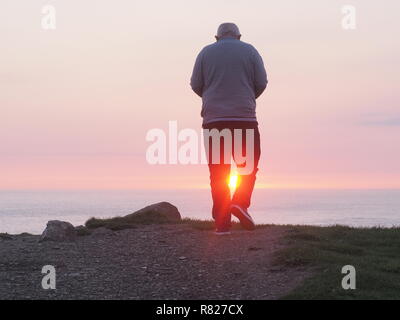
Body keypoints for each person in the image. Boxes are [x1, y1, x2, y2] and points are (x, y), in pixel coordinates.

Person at [190, 23, 268, 235]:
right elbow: (262, 81)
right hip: (244, 118)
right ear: (239, 36)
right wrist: (248, 97)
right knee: (248, 167)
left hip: (214, 120)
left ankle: (222, 224)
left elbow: (195, 83)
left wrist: (212, 97)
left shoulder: (205, 52)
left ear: (216, 37)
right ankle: (240, 203)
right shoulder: (250, 51)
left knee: (218, 171)